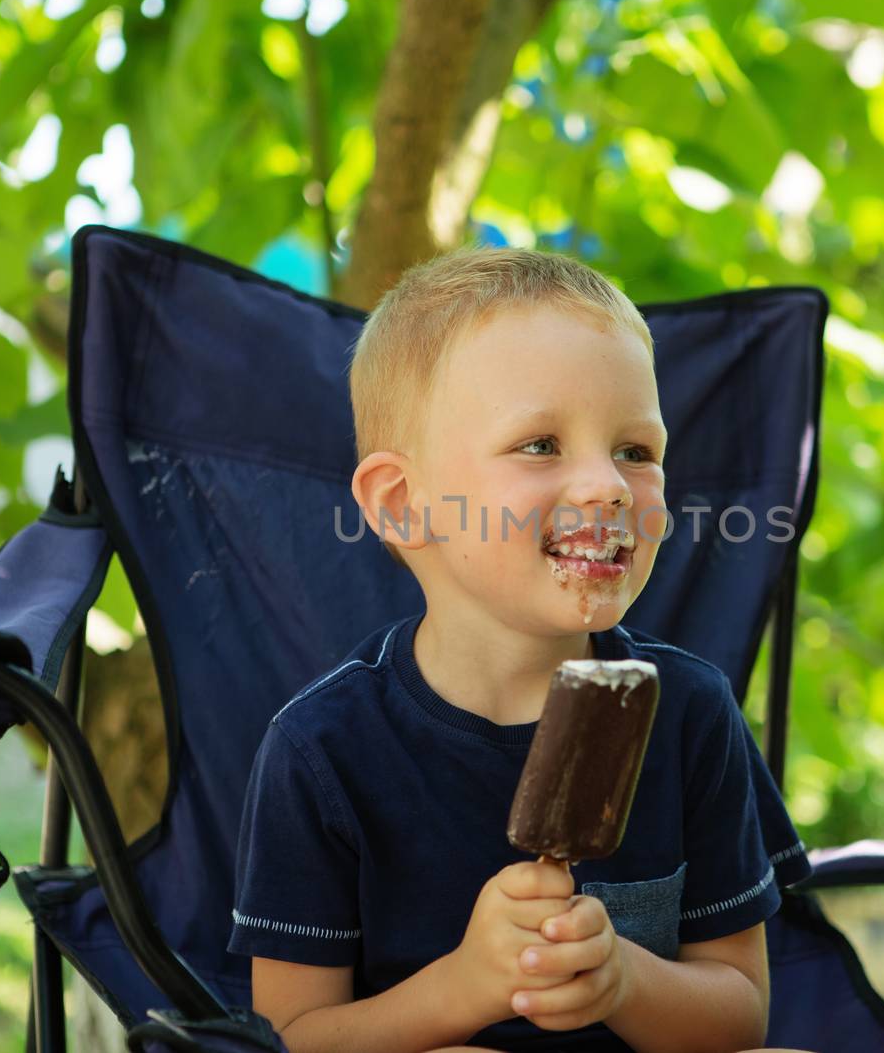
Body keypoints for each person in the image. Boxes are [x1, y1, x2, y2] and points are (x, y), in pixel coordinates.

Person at [227, 246, 815, 1053]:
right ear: (404, 504)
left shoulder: (686, 712)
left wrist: (623, 977)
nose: (608, 485)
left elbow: (740, 1010)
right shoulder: (321, 750)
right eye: (541, 444)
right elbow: (293, 1036)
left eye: (636, 451)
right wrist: (465, 986)